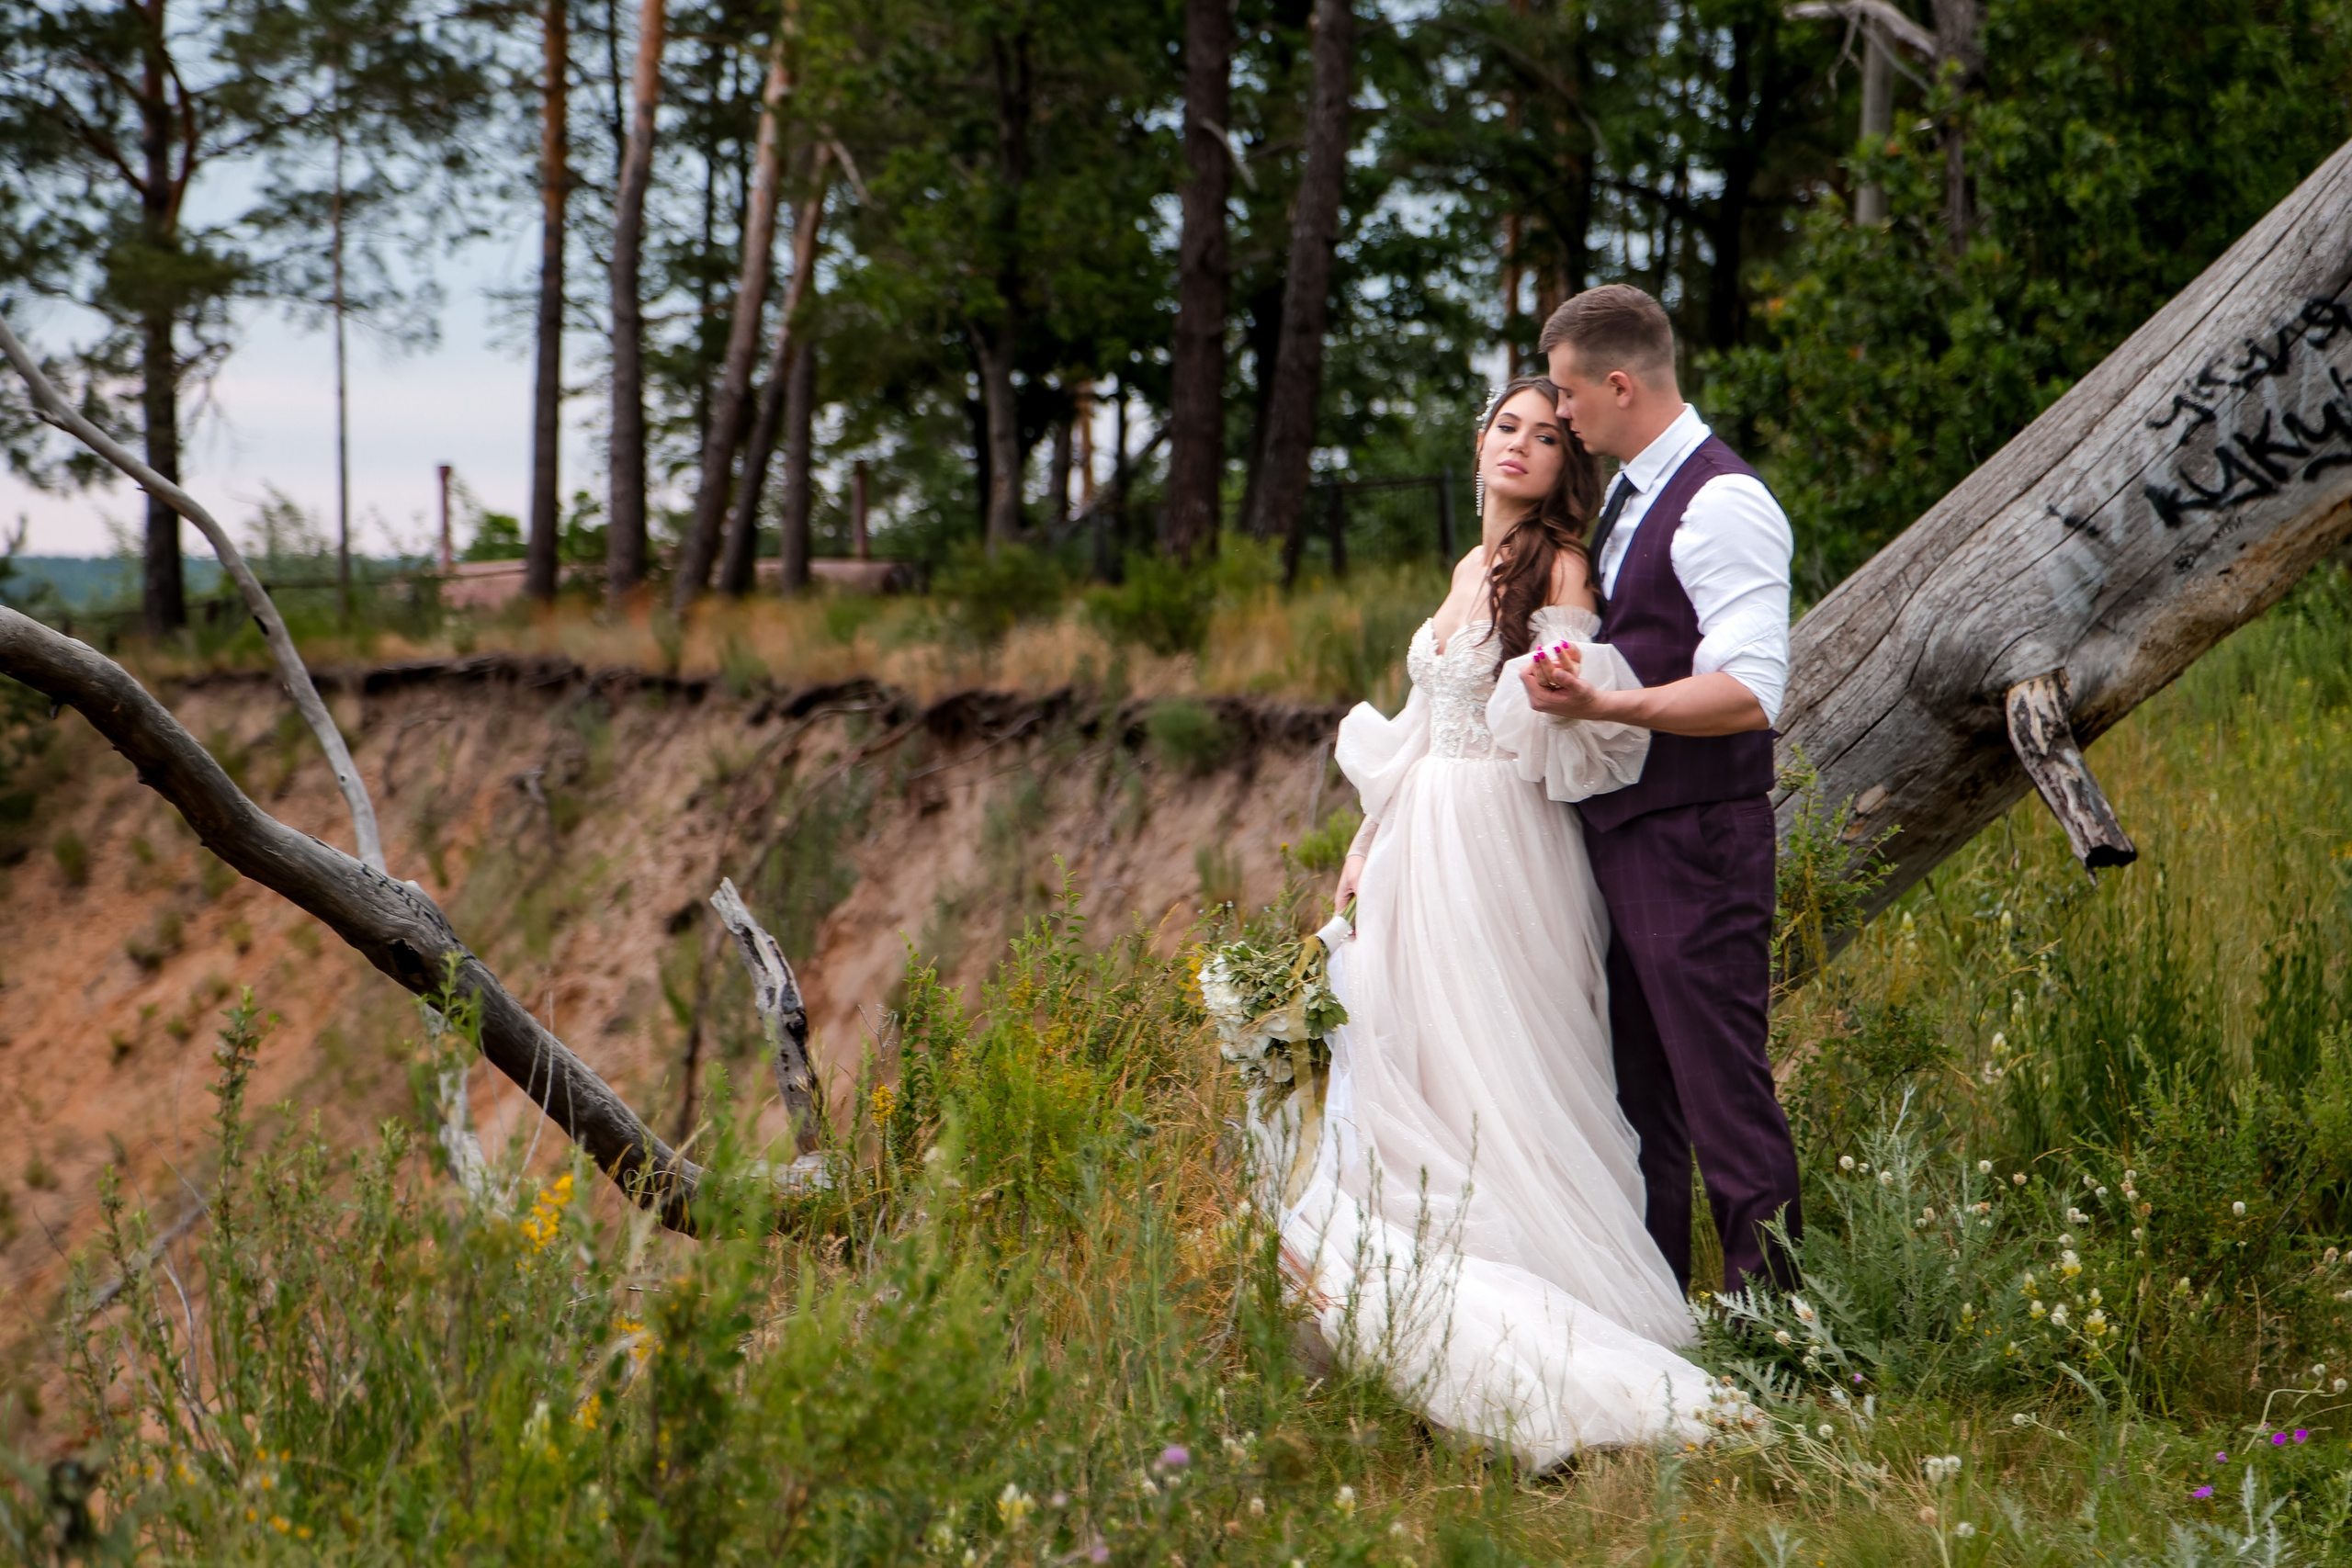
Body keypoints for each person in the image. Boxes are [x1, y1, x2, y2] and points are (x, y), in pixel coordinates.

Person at [1278, 377, 1720, 1469]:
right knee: (1413, 1062)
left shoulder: (1560, 568)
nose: (1520, 446)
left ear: (1571, 465)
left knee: (1510, 1073)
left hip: (1502, 844)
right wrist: (1363, 844)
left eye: (1545, 435)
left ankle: (1563, 1313)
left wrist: (1561, 687)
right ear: (1476, 444)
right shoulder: (1467, 566)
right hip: (1418, 844)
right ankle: (1407, 1310)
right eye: (1505, 428)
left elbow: (1572, 738)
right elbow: (1426, 721)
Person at [1518, 284, 1804, 1299]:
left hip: (1695, 840)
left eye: (1566, 393)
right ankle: (1661, 1321)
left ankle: (1775, 1331)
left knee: (1718, 1091)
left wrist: (1600, 704)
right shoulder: (1634, 495)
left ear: (1620, 383)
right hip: (1631, 835)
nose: (1561, 416)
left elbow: (1748, 693)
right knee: (1640, 1096)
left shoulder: (1721, 502)